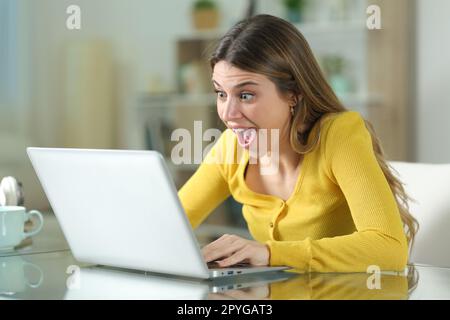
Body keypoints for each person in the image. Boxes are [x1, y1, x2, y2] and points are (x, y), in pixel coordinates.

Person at [178, 14, 418, 272]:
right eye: (221, 94)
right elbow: (169, 223)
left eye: (246, 95)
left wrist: (270, 253)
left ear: (293, 94)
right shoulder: (230, 148)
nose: (228, 113)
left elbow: (389, 247)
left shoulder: (339, 135)